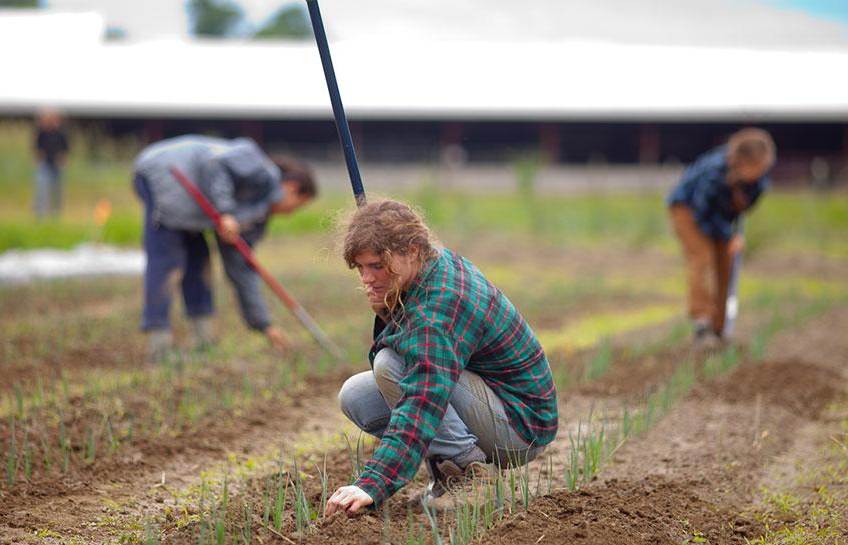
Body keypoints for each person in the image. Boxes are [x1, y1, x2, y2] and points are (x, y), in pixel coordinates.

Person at [326, 200, 558, 515]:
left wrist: (372, 483)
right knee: (356, 395)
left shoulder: (441, 305)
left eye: (377, 266)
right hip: (490, 403)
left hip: (520, 426)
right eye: (361, 268)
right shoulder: (432, 266)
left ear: (411, 250)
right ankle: (448, 475)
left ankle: (472, 476)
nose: (366, 278)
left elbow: (423, 399)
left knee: (391, 365)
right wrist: (388, 308)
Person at [132, 134, 316, 360]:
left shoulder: (256, 217)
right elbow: (214, 164)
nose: (290, 214)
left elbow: (242, 268)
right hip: (165, 171)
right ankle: (159, 347)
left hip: (194, 202)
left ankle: (203, 341)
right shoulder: (261, 169)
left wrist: (264, 324)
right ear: (291, 187)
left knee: (199, 262)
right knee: (168, 261)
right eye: (297, 206)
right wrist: (226, 211)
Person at [666, 128, 777, 350]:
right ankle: (702, 325)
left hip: (720, 219)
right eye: (755, 168)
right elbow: (701, 212)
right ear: (742, 163)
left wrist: (729, 233)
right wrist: (728, 234)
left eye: (763, 168)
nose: (760, 173)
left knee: (726, 264)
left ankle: (719, 329)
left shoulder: (758, 181)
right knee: (703, 259)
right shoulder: (714, 173)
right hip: (687, 210)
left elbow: (742, 208)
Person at [33, 109, 69, 217]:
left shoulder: (61, 133)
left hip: (57, 166)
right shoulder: (42, 133)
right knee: (42, 191)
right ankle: (40, 215)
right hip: (44, 166)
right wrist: (39, 158)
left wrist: (62, 160)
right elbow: (37, 149)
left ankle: (55, 215)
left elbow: (65, 150)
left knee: (57, 192)